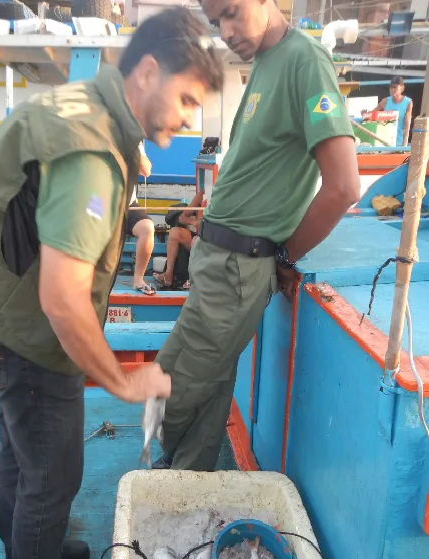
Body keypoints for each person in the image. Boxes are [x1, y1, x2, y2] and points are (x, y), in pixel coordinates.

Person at [0, 7, 223, 559]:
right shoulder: (92, 154)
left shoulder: (77, 103)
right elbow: (64, 300)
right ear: (147, 72)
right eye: (184, 99)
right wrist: (123, 383)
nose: (184, 120)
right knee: (54, 473)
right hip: (26, 328)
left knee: (19, 448)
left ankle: (21, 552)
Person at [151, 0, 360, 472]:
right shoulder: (266, 62)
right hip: (216, 260)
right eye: (215, 20)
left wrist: (285, 255)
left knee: (175, 390)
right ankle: (185, 476)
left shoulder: (305, 61)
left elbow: (344, 185)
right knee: (206, 380)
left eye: (232, 11)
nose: (225, 30)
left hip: (238, 267)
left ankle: (174, 463)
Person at [154, 190, 205, 288]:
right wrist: (194, 222)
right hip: (199, 236)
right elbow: (182, 218)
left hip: (217, 240)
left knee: (197, 241)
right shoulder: (202, 195)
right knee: (175, 232)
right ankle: (168, 275)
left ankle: (193, 280)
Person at [126, 142, 156, 294]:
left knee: (147, 228)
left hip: (128, 204)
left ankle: (138, 280)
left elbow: (146, 170)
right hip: (99, 201)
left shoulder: (132, 137)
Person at [373, 75, 412, 147]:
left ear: (402, 88)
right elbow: (372, 115)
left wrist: (404, 145)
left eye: (395, 87)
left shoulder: (408, 102)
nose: (392, 89)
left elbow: (407, 125)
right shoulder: (385, 101)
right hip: (384, 142)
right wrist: (365, 115)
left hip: (399, 142)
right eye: (391, 87)